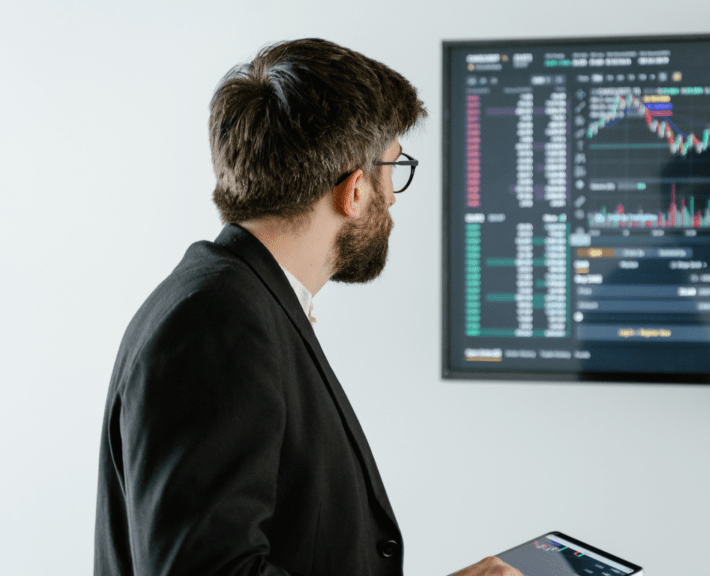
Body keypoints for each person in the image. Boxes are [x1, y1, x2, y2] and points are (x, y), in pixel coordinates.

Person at [94, 38, 522, 576]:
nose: (393, 198)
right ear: (356, 189)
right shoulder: (217, 320)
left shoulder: (240, 300)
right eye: (394, 168)